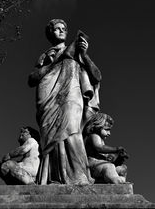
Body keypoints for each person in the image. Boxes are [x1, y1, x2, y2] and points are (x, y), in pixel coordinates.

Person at [28, 19, 101, 185]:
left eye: (63, 29)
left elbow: (97, 76)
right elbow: (32, 79)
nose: (60, 31)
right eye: (56, 29)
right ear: (50, 33)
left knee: (72, 129)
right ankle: (53, 176)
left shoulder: (77, 51)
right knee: (50, 135)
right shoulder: (45, 56)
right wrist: (54, 62)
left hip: (71, 94)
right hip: (48, 99)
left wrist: (84, 55)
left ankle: (78, 176)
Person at [83, 112, 128, 184]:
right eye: (107, 129)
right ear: (98, 126)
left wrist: (119, 158)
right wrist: (116, 150)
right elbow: (99, 147)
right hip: (92, 163)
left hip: (101, 164)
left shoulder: (101, 140)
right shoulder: (94, 136)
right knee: (109, 166)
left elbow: (108, 158)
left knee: (121, 168)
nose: (109, 133)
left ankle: (115, 179)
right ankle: (116, 181)